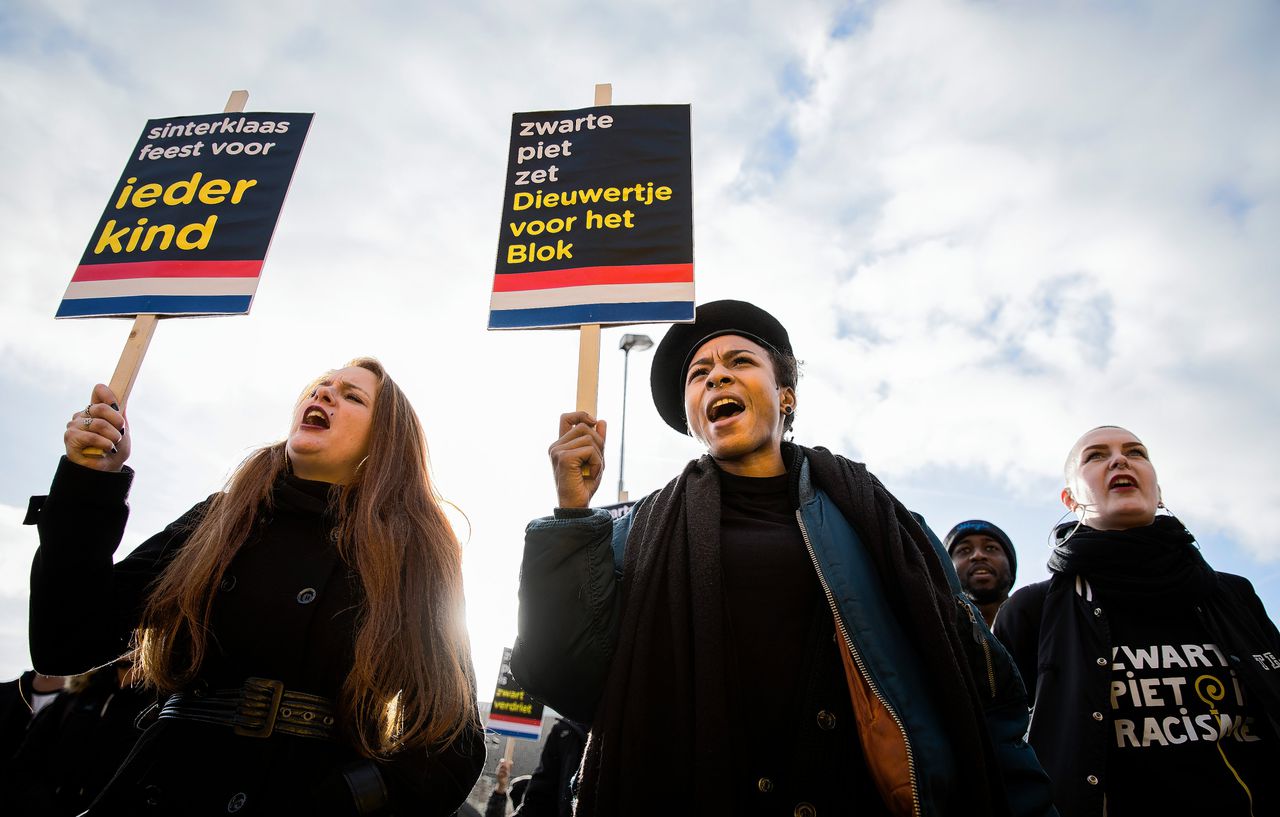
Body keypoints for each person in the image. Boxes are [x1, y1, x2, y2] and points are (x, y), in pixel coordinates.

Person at [512, 300, 1056, 817]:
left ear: (786, 395)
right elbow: (561, 676)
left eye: (739, 362)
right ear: (693, 418)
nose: (716, 377)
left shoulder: (882, 522)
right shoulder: (630, 535)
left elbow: (979, 685)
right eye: (698, 374)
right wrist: (570, 518)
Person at [25, 358, 485, 816]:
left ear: (384, 442)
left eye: (352, 396)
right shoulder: (217, 519)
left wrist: (341, 800)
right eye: (320, 386)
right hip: (160, 786)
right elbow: (66, 639)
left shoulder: (413, 549)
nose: (323, 394)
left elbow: (451, 746)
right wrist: (88, 481)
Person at [993, 426, 1280, 817]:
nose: (1119, 459)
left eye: (1136, 452)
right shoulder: (1031, 609)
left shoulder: (1234, 594)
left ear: (1158, 492)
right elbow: (998, 746)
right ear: (1071, 500)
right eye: (1095, 456)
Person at [946, 519, 1017, 627]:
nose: (978, 555)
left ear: (1011, 568)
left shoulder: (1040, 624)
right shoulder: (932, 630)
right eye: (964, 550)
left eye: (990, 548)